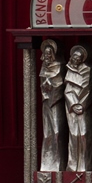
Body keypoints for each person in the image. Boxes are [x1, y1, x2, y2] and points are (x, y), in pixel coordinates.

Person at [64, 46, 92, 171]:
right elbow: (67, 89)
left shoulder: (87, 70)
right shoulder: (69, 69)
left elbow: (88, 89)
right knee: (73, 135)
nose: (76, 59)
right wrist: (73, 104)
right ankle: (72, 165)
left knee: (83, 134)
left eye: (78, 58)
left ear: (82, 59)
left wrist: (81, 105)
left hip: (83, 106)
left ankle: (84, 165)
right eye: (74, 57)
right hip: (71, 105)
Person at [39, 39, 67, 172]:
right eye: (46, 53)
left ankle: (58, 163)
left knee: (57, 130)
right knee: (47, 132)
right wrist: (45, 88)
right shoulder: (44, 66)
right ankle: (47, 163)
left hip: (56, 102)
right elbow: (42, 83)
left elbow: (60, 84)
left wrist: (52, 86)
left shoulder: (59, 65)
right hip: (46, 101)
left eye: (49, 53)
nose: (47, 56)